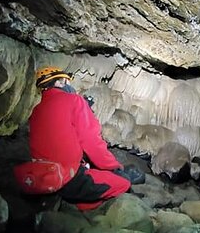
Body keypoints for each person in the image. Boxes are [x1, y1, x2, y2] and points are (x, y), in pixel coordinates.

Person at [27, 66, 131, 210]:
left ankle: (78, 207)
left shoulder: (36, 111)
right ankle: (89, 209)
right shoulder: (74, 100)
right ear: (59, 82)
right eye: (66, 81)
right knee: (124, 183)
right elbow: (91, 141)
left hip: (42, 177)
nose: (69, 86)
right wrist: (114, 166)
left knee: (90, 176)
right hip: (69, 179)